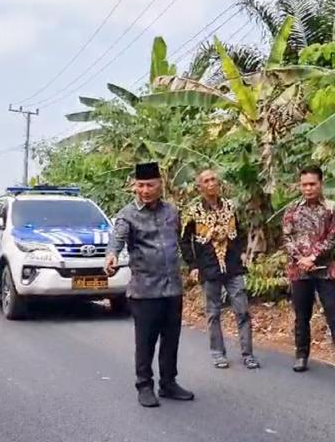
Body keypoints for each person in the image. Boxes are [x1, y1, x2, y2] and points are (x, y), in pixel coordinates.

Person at [105, 162, 194, 408]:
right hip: (144, 291)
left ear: (160, 185)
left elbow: (181, 241)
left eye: (150, 185)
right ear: (134, 186)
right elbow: (117, 239)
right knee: (145, 342)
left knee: (171, 339)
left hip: (172, 288)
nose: (144, 190)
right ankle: (144, 385)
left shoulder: (172, 212)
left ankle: (168, 383)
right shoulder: (127, 214)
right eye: (140, 185)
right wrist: (111, 256)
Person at [180, 169, 260, 370]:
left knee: (242, 310)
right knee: (213, 312)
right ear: (200, 186)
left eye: (213, 179)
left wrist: (242, 252)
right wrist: (193, 265)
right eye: (206, 181)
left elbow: (240, 231)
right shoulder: (193, 211)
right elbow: (184, 240)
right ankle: (218, 353)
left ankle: (248, 354)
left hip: (233, 266)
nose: (211, 183)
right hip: (209, 267)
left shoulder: (231, 207)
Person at [282, 165, 335, 377]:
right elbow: (286, 238)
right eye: (304, 185)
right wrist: (301, 259)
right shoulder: (292, 210)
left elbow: (333, 237)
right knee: (301, 316)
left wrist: (313, 257)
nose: (308, 188)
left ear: (320, 183)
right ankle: (301, 355)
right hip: (299, 270)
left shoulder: (332, 208)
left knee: (334, 314)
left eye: (312, 184)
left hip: (325, 270)